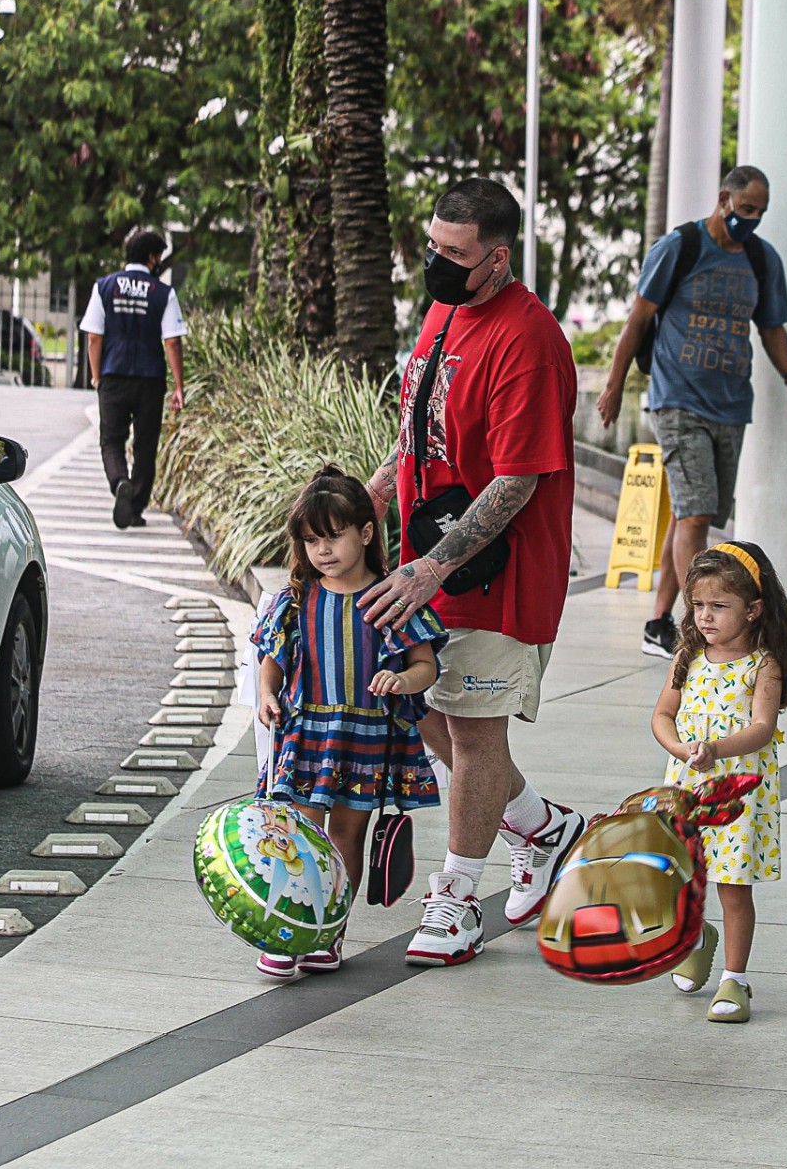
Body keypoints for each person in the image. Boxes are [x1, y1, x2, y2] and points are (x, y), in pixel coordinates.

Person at [357, 176, 587, 967]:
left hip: (497, 573)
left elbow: (518, 480)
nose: (437, 264)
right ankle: (544, 827)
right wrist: (377, 491)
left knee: (471, 732)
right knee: (425, 711)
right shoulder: (442, 310)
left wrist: (432, 568)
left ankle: (456, 899)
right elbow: (418, 423)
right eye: (432, 246)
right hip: (428, 564)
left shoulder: (529, 338)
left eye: (454, 254)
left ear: (497, 256)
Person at [595, 167, 787, 658]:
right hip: (677, 399)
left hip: (732, 403)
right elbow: (639, 319)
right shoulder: (681, 247)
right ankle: (699, 624)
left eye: (760, 213)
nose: (752, 220)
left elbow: (773, 327)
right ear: (724, 200)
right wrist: (614, 386)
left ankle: (659, 622)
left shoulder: (760, 260)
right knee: (694, 512)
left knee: (699, 515)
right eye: (746, 209)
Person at [253, 466, 445, 981]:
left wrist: (404, 682)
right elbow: (271, 661)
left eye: (334, 536)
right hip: (306, 735)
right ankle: (286, 932)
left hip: (364, 741)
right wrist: (268, 696)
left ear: (364, 532)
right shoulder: (296, 599)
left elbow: (424, 665)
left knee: (345, 839)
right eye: (312, 540)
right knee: (295, 838)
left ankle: (328, 932)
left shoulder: (390, 598)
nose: (323, 550)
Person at [651, 541, 787, 1024]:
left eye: (719, 606)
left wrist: (715, 750)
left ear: (753, 610)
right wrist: (677, 749)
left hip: (738, 793)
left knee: (732, 886)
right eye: (697, 606)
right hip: (687, 789)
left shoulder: (762, 664)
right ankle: (698, 938)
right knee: (683, 879)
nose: (705, 617)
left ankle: (736, 978)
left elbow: (760, 728)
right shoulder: (688, 655)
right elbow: (663, 714)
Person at [82, 230, 185, 530]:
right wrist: (179, 385)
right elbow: (172, 342)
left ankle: (119, 482)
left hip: (113, 375)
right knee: (145, 445)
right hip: (150, 378)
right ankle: (136, 506)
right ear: (152, 257)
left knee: (111, 440)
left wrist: (96, 375)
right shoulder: (163, 293)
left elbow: (93, 337)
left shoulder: (104, 287)